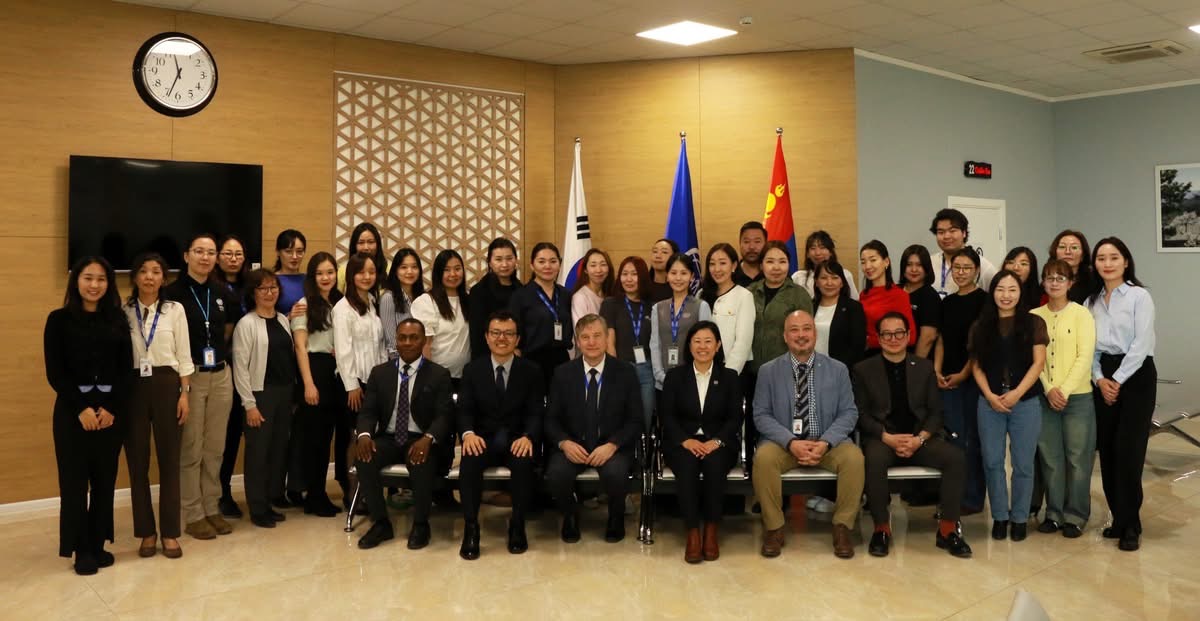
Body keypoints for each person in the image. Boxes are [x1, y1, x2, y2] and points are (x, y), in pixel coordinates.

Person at [853, 312, 972, 559]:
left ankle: (948, 529)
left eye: (899, 333)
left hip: (920, 439)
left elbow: (936, 412)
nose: (893, 338)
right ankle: (881, 529)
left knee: (956, 458)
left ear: (908, 336)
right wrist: (886, 437)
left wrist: (920, 439)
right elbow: (860, 414)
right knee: (873, 459)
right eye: (887, 334)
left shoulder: (925, 367)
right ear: (879, 338)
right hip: (884, 439)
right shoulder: (863, 369)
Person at [44, 257, 133, 575]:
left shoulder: (118, 319)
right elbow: (56, 372)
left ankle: (97, 545)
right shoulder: (58, 320)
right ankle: (81, 549)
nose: (94, 285)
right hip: (72, 415)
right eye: (88, 278)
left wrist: (111, 408)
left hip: (110, 415)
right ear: (76, 281)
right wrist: (81, 408)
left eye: (101, 279)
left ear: (109, 284)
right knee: (74, 484)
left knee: (104, 483)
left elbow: (125, 370)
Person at [753, 310, 863, 559]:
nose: (801, 335)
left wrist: (825, 442)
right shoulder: (768, 371)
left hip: (827, 443)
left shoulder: (838, 369)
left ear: (815, 333)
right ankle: (774, 528)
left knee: (854, 458)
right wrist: (790, 442)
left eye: (806, 329)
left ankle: (842, 527)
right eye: (794, 330)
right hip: (784, 444)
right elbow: (761, 415)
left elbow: (849, 412)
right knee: (764, 458)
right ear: (785, 336)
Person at [353, 319, 455, 550]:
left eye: (414, 337)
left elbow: (444, 415)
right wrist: (364, 436)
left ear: (424, 341)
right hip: (388, 439)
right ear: (396, 341)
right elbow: (368, 412)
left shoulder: (438, 374)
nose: (408, 342)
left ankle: (420, 524)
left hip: (420, 438)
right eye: (403, 338)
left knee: (421, 460)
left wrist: (428, 438)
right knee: (364, 458)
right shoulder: (380, 373)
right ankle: (381, 523)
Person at [163, 234, 237, 541]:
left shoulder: (222, 292)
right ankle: (193, 514)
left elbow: (227, 331)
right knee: (192, 447)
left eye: (210, 252)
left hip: (220, 374)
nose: (205, 257)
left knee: (215, 447)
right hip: (190, 377)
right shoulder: (172, 294)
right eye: (199, 252)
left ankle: (211, 507)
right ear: (186, 256)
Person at [545, 314, 643, 544]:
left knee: (616, 473)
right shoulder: (563, 373)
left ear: (607, 338)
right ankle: (570, 515)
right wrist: (564, 443)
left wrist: (613, 445)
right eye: (585, 337)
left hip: (611, 445)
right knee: (556, 473)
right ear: (578, 342)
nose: (592, 342)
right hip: (574, 444)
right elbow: (550, 419)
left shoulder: (625, 372)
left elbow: (635, 420)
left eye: (597, 336)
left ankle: (616, 517)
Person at [456, 311, 545, 559]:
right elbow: (464, 410)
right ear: (486, 337)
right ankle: (471, 528)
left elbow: (536, 412)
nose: (502, 338)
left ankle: (517, 525)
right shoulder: (472, 370)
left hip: (517, 438)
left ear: (517, 339)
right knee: (469, 462)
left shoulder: (531, 371)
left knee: (524, 463)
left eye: (508, 333)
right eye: (496, 333)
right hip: (482, 439)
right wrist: (468, 434)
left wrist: (528, 436)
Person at [1088, 237, 1156, 552]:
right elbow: (1090, 347)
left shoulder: (1140, 296)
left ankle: (1131, 524)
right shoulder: (1091, 302)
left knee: (1129, 452)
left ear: (1125, 261)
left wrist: (1116, 380)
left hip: (1136, 375)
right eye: (1101, 258)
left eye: (1114, 257)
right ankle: (1118, 518)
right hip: (1104, 376)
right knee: (1109, 451)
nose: (1107, 263)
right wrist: (1100, 379)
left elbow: (1141, 344)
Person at [123, 252, 193, 559]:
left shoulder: (174, 310)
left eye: (156, 271)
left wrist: (184, 394)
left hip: (168, 385)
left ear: (164, 278)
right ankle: (146, 532)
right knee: (137, 463)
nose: (149, 277)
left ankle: (170, 533)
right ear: (135, 277)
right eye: (143, 271)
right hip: (133, 389)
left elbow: (185, 355)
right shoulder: (123, 312)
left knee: (170, 461)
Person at [970, 270, 1048, 542]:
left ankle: (1020, 518)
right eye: (1000, 289)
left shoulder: (1034, 322)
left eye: (1012, 289)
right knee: (992, 461)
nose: (1006, 295)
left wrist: (1016, 393)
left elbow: (1039, 363)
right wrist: (989, 395)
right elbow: (976, 366)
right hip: (989, 401)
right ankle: (1000, 517)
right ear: (992, 292)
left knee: (1023, 463)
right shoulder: (981, 326)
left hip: (1025, 401)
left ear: (1020, 293)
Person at [659, 321, 741, 563]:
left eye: (708, 341)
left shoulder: (730, 377)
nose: (702, 347)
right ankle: (693, 532)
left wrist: (717, 441)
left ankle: (711, 531)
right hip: (683, 442)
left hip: (719, 442)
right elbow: (667, 415)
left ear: (718, 346)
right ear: (689, 346)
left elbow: (736, 417)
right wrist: (685, 440)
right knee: (687, 468)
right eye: (697, 341)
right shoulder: (675, 376)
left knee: (715, 467)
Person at [1031, 259, 1096, 539]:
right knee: (1050, 458)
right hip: (1044, 398)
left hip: (1078, 398)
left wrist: (1064, 390)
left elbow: (1085, 356)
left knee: (1078, 458)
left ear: (1071, 283)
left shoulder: (1082, 314)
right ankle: (1054, 513)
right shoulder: (1034, 315)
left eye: (1060, 278)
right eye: (1049, 278)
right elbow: (1034, 360)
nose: (1054, 283)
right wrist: (1048, 389)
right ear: (1043, 282)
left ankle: (1076, 515)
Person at [232, 269, 297, 528]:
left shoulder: (282, 319)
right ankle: (258, 508)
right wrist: (249, 404)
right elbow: (240, 368)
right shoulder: (246, 324)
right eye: (263, 288)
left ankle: (271, 499)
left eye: (273, 287)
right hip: (260, 395)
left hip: (284, 393)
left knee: (278, 450)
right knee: (258, 453)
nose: (269, 293)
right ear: (253, 293)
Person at [747, 241, 813, 475]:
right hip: (751, 371)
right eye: (770, 261)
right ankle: (757, 476)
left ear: (789, 265)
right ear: (761, 265)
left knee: (782, 426)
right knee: (754, 424)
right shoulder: (749, 292)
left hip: (786, 372)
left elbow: (805, 334)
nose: (776, 267)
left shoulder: (798, 294)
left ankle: (786, 478)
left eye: (782, 261)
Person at [934, 247, 989, 515]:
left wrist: (964, 373)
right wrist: (936, 370)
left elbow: (979, 344)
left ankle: (972, 498)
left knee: (971, 440)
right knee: (950, 440)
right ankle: (951, 497)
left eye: (967, 268)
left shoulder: (985, 301)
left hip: (973, 379)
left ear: (976, 270)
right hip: (946, 379)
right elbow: (941, 339)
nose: (962, 272)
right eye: (957, 268)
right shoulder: (947, 303)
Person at [291, 252, 347, 518]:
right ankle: (313, 495)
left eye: (330, 272)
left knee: (327, 437)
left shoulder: (339, 302)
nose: (326, 278)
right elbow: (300, 347)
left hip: (335, 373)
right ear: (312, 277)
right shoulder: (304, 305)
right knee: (314, 439)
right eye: (320, 273)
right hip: (314, 370)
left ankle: (320, 492)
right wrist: (308, 384)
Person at [332, 253, 389, 508]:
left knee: (371, 436)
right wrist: (352, 386)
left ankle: (368, 489)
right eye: (361, 272)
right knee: (354, 437)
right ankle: (352, 492)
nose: (367, 277)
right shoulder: (342, 308)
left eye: (371, 272)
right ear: (351, 276)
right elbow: (343, 351)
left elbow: (380, 345)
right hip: (353, 384)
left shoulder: (373, 302)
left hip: (374, 381)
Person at [1003, 246, 1044, 520]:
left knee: (1032, 454)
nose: (1017, 267)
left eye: (1024, 263)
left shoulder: (1038, 303)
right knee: (1008, 456)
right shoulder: (997, 304)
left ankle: (1032, 502)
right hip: (1002, 389)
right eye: (1012, 261)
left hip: (1033, 389)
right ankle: (1021, 505)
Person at [215, 235, 249, 519]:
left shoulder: (251, 285)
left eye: (238, 254)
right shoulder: (212, 287)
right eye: (228, 253)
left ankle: (227, 491)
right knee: (221, 436)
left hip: (248, 369)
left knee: (236, 432)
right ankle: (219, 491)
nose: (233, 259)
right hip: (221, 367)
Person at [600, 256, 655, 429]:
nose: (628, 279)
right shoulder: (610, 303)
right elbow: (609, 340)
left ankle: (646, 446)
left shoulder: (652, 306)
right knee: (621, 420)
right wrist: (616, 369)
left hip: (647, 370)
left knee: (645, 419)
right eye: (624, 274)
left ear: (642, 277)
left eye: (634, 274)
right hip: (621, 367)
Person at [509, 242, 573, 388]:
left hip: (561, 360)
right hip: (532, 360)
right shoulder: (521, 295)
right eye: (541, 261)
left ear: (559, 264)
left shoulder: (565, 294)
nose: (547, 266)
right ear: (532, 265)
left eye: (553, 261)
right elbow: (513, 332)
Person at [650, 253, 712, 390]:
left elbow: (706, 345)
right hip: (663, 382)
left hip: (692, 382)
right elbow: (655, 344)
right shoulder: (658, 308)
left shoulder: (701, 306)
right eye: (673, 273)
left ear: (692, 276)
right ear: (667, 276)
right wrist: (660, 375)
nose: (678, 278)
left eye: (684, 273)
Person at [411, 249, 471, 383]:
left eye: (457, 269)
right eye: (446, 270)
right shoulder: (427, 301)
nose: (453, 274)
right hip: (437, 377)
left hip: (465, 376)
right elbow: (425, 345)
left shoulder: (469, 300)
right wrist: (428, 378)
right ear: (438, 273)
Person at [700, 243, 755, 376]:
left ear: (734, 266)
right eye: (712, 264)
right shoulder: (701, 294)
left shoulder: (744, 296)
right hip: (705, 367)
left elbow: (743, 342)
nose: (717, 269)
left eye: (723, 263)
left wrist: (729, 374)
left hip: (735, 369)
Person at [859, 240, 916, 353]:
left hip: (890, 354)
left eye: (873, 260)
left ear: (886, 262)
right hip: (866, 355)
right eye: (863, 262)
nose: (867, 266)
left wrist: (870, 341)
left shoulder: (899, 295)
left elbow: (911, 337)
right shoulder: (863, 295)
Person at [468, 238, 519, 359]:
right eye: (498, 259)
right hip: (487, 358)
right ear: (489, 262)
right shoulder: (479, 291)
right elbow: (477, 334)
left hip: (516, 357)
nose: (504, 264)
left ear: (515, 260)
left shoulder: (521, 289)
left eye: (509, 259)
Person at [929, 208, 998, 297]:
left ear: (964, 233)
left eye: (952, 231)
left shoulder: (984, 267)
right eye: (941, 232)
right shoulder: (930, 262)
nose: (946, 236)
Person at [812, 261, 866, 369]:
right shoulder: (809, 306)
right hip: (811, 369)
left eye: (835, 278)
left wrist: (837, 369)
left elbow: (858, 346)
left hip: (840, 370)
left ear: (842, 283)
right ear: (816, 282)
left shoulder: (853, 308)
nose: (829, 283)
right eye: (824, 278)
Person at [379, 248, 424, 360]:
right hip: (400, 362)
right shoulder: (388, 298)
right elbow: (391, 342)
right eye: (404, 267)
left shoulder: (423, 297)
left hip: (422, 361)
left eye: (414, 267)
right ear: (395, 270)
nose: (410, 271)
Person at [899, 244, 941, 359]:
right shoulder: (895, 290)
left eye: (919, 265)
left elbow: (928, 337)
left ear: (926, 268)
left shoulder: (930, 296)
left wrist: (915, 364)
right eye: (909, 265)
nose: (914, 270)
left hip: (917, 360)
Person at [791, 230, 859, 300]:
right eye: (813, 248)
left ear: (831, 252)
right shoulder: (798, 277)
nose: (818, 253)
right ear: (807, 254)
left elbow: (854, 300)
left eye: (822, 247)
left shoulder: (845, 274)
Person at [338, 222, 388, 294]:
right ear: (354, 246)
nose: (366, 247)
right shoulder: (343, 270)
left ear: (378, 245)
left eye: (370, 242)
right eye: (361, 242)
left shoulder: (389, 269)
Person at [570, 248, 614, 324]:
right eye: (593, 265)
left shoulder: (611, 294)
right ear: (585, 270)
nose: (598, 270)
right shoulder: (580, 297)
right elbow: (580, 329)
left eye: (603, 265)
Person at [1048, 229, 1092, 304]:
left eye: (1074, 247)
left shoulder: (1092, 282)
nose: (1067, 252)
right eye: (1062, 247)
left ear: (1083, 255)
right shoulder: (1048, 281)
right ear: (1055, 253)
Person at [272, 229, 306, 314]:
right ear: (278, 252)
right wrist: (289, 316)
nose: (294, 256)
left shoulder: (309, 279)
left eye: (299, 251)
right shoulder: (270, 281)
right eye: (288, 251)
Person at [1004, 247, 1041, 312]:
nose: (1016, 268)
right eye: (1011, 262)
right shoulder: (994, 294)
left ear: (1032, 269)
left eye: (1023, 264)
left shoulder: (1040, 299)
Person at [733, 221, 767, 286]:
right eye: (746, 241)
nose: (752, 247)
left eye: (757, 241)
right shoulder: (730, 276)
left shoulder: (773, 274)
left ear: (766, 244)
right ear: (740, 244)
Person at [647, 238, 680, 303]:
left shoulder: (678, 286)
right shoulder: (642, 285)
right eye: (655, 251)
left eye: (664, 252)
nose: (658, 256)